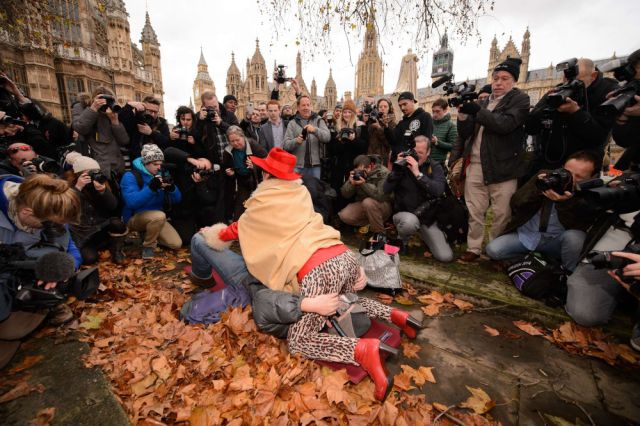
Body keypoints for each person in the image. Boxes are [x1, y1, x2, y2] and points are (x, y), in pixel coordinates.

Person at [196, 147, 422, 401]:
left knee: (299, 341)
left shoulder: (260, 204)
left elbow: (233, 231)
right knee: (347, 301)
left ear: (267, 175)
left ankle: (361, 351)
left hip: (317, 270)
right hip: (342, 255)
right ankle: (397, 316)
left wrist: (210, 233)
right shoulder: (301, 193)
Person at [450, 57, 531, 262]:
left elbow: (504, 125)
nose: (498, 82)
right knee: (475, 210)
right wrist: (462, 114)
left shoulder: (520, 100)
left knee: (501, 212)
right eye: (495, 78)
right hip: (476, 164)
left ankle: (495, 250)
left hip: (503, 167)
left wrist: (478, 111)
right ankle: (474, 247)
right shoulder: (482, 102)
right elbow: (466, 132)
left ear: (513, 81)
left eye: (504, 78)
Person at [485, 150, 601, 272]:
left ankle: (567, 274)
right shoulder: (546, 177)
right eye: (567, 172)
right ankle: (540, 262)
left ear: (591, 178)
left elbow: (579, 225)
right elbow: (516, 203)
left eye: (578, 176)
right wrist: (537, 189)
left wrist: (564, 202)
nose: (569, 178)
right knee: (493, 250)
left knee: (576, 237)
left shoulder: (591, 194)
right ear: (562, 167)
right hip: (527, 236)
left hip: (556, 241)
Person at [0, 173, 82, 325]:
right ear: (27, 212)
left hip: (24, 269)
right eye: (55, 224)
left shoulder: (48, 208)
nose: (59, 227)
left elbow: (70, 248)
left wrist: (64, 269)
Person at [525, 57, 618, 173]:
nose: (569, 83)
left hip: (579, 170)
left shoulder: (608, 93)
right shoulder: (559, 91)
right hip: (545, 162)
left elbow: (599, 137)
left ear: (593, 76)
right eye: (566, 78)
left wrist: (576, 113)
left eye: (576, 79)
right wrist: (545, 105)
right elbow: (530, 127)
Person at [383, 136, 452, 261]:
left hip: (428, 217)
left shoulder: (434, 166)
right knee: (410, 222)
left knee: (445, 257)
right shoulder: (403, 166)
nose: (417, 156)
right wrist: (397, 169)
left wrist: (418, 174)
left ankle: (423, 237)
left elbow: (438, 191)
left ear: (428, 152)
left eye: (421, 153)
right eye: (415, 152)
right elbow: (386, 189)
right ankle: (402, 240)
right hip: (405, 215)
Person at [64, 152, 127, 265]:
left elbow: (113, 206)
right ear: (78, 174)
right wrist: (78, 188)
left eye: (96, 171)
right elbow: (66, 208)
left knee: (117, 224)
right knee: (90, 259)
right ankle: (101, 246)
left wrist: (103, 191)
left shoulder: (99, 182)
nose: (94, 175)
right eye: (90, 172)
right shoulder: (68, 187)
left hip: (100, 227)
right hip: (82, 233)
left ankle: (116, 250)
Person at [120, 144, 182, 259]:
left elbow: (177, 200)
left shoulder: (161, 174)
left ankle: (148, 233)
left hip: (158, 218)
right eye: (155, 164)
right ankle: (148, 246)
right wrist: (151, 188)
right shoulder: (130, 176)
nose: (159, 167)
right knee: (158, 216)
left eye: (160, 164)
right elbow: (132, 202)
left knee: (176, 244)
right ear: (145, 163)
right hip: (135, 217)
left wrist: (172, 188)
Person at [72, 87, 129, 177]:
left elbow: (124, 141)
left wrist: (115, 121)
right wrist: (93, 108)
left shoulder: (112, 111)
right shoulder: (81, 107)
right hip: (95, 167)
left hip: (117, 167)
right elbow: (80, 128)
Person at [338, 155, 391, 235]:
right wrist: (350, 183)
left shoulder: (384, 173)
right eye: (358, 171)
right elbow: (345, 194)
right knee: (344, 215)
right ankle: (371, 224)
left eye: (362, 171)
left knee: (368, 202)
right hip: (365, 206)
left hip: (384, 205)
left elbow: (381, 196)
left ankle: (379, 234)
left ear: (370, 166)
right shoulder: (357, 174)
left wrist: (364, 184)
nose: (360, 173)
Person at [222, 126, 267, 220]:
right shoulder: (228, 151)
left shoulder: (253, 144)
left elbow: (266, 160)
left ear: (243, 137)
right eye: (232, 141)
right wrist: (230, 173)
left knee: (258, 206)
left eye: (237, 140)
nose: (235, 143)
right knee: (240, 208)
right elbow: (226, 168)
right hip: (241, 181)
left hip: (256, 180)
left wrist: (254, 165)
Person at [282, 95, 331, 179]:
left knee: (313, 191)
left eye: (308, 105)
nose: (306, 108)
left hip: (315, 166)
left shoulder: (319, 120)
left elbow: (327, 137)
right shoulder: (292, 123)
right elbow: (286, 145)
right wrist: (296, 141)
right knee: (298, 192)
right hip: (298, 167)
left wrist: (315, 130)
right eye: (303, 105)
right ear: (298, 107)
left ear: (311, 106)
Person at [330, 100, 368, 197]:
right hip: (339, 166)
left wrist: (354, 139)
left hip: (354, 165)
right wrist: (340, 140)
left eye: (349, 112)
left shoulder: (360, 126)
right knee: (337, 192)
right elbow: (332, 149)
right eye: (345, 112)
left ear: (353, 113)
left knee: (352, 193)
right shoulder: (337, 127)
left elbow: (364, 147)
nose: (346, 115)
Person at [118, 96, 170, 161]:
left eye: (155, 112)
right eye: (150, 111)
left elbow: (167, 142)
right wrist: (129, 105)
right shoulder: (134, 119)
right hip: (136, 160)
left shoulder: (162, 123)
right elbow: (120, 119)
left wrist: (151, 133)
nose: (153, 114)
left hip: (155, 162)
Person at [392, 91, 433, 161]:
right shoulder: (401, 123)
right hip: (402, 162)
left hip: (419, 162)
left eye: (405, 104)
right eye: (400, 106)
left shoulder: (425, 116)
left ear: (412, 101)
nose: (402, 108)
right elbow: (395, 142)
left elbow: (427, 141)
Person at [366, 98, 396, 165]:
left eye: (385, 106)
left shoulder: (392, 124)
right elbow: (368, 139)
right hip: (370, 157)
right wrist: (370, 126)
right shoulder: (373, 120)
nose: (382, 108)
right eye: (380, 107)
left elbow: (388, 144)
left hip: (383, 159)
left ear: (389, 108)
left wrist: (379, 128)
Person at [430, 98, 457, 167]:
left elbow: (454, 147)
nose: (435, 114)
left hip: (438, 164)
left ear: (445, 110)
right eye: (433, 111)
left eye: (438, 111)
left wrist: (437, 142)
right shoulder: (429, 123)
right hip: (423, 161)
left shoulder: (451, 125)